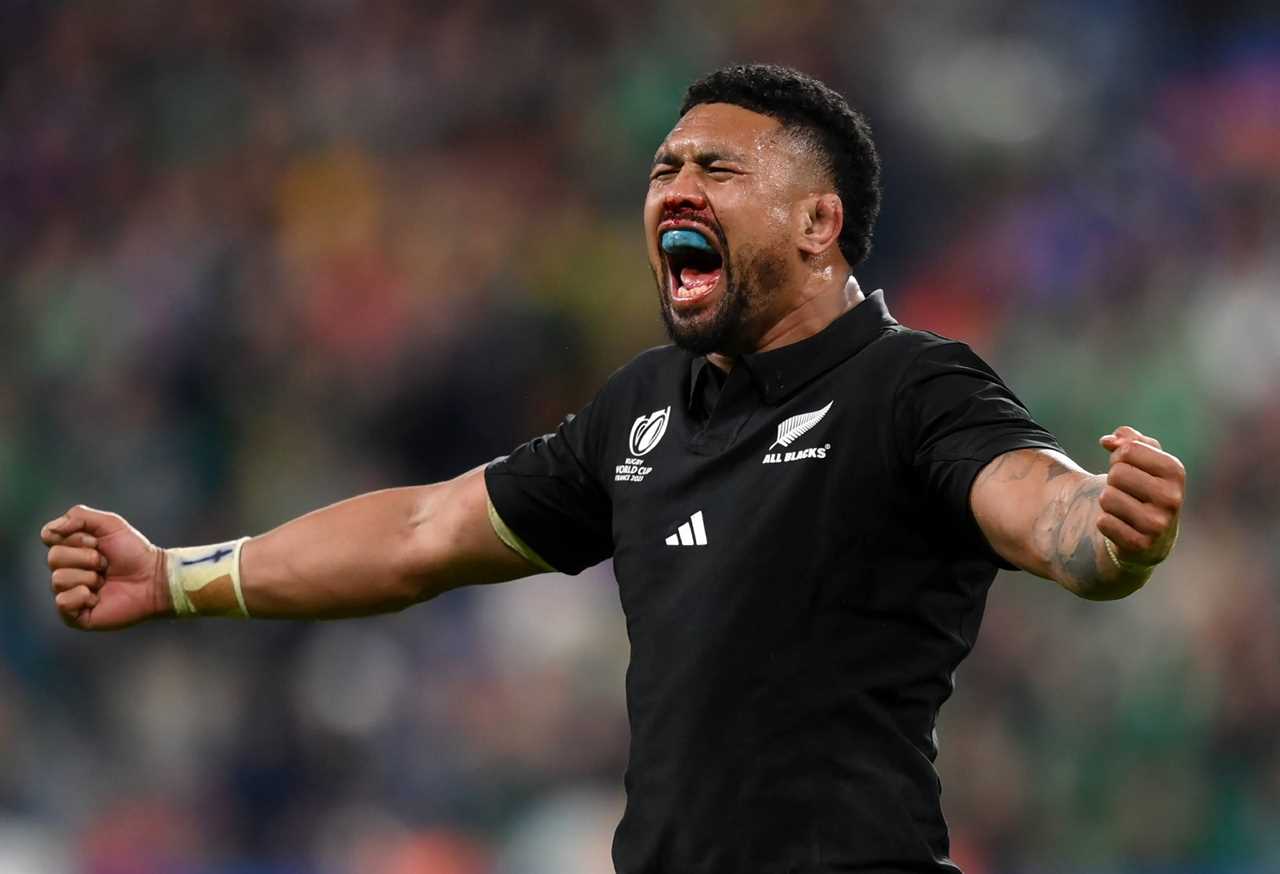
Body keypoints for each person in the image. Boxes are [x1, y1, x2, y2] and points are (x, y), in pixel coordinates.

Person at [40, 64, 1184, 873]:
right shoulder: (644, 408)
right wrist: (179, 576)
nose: (674, 186)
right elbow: (420, 533)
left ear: (816, 223)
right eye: (662, 165)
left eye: (718, 168)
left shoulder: (909, 384)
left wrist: (1103, 529)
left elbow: (1033, 499)